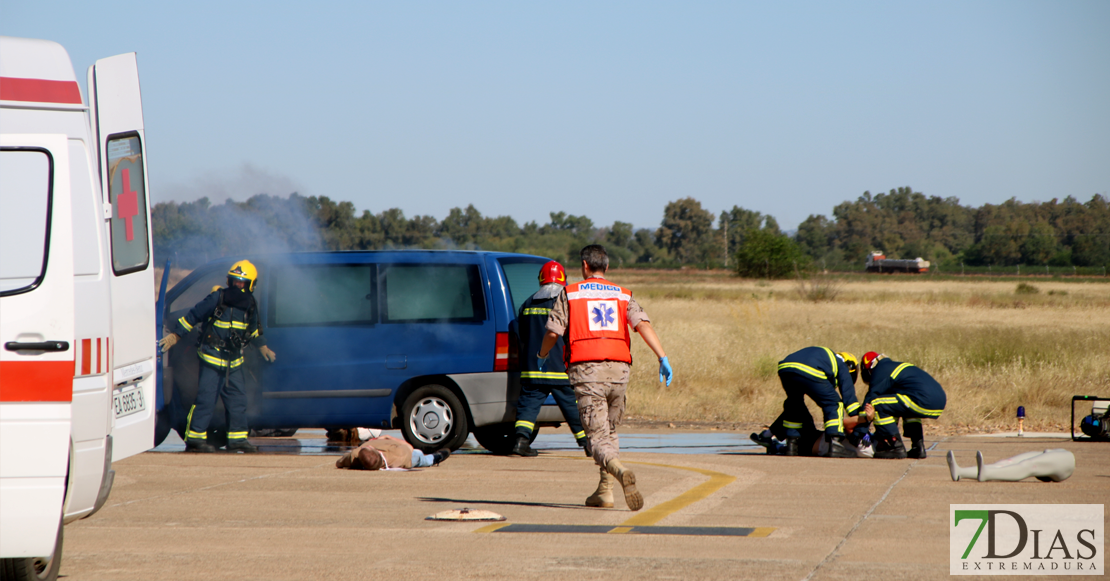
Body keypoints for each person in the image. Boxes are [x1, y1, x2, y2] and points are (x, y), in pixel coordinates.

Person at [537, 244, 672, 511]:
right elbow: (642, 324)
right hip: (619, 372)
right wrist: (662, 357)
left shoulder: (571, 293)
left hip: (588, 373)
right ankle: (605, 491)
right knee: (609, 432)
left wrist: (541, 355)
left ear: (585, 266)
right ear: (607, 267)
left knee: (596, 437)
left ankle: (620, 472)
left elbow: (553, 332)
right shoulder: (623, 295)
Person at [158, 260, 277, 453]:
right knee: (206, 399)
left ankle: (237, 440)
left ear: (251, 285)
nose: (238, 287)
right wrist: (176, 335)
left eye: (242, 283)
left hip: (234, 362)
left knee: (238, 400)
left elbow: (254, 330)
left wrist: (262, 347)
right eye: (235, 282)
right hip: (211, 359)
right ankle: (195, 439)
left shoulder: (250, 305)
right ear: (229, 282)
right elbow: (193, 315)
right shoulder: (217, 298)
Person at [510, 260, 590, 457]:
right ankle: (587, 444)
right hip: (560, 368)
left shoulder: (528, 303)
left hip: (533, 368)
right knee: (571, 406)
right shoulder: (567, 302)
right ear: (563, 279)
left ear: (540, 279)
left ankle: (521, 442)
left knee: (528, 406)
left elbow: (521, 334)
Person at [770, 347, 862, 458]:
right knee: (833, 404)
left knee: (795, 404)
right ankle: (835, 444)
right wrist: (860, 419)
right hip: (809, 369)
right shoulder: (842, 365)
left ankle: (792, 445)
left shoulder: (824, 358)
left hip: (785, 368)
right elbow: (849, 399)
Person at [858, 352, 947, 459]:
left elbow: (870, 400)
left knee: (876, 403)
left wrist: (858, 433)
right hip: (938, 401)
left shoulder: (880, 369)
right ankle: (918, 448)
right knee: (904, 408)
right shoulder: (893, 366)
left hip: (922, 400)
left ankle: (895, 447)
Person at [946, 449, 1074, 482]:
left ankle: (988, 474)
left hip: (1066, 462)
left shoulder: (1065, 458)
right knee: (1005, 463)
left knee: (1027, 466)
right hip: (1059, 460)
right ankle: (960, 472)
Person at [335, 434, 451, 470]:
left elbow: (340, 462)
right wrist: (389, 437)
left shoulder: (355, 456)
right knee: (420, 457)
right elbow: (409, 447)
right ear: (373, 448)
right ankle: (435, 457)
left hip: (393, 454)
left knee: (417, 457)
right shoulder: (397, 453)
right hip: (406, 455)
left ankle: (433, 458)